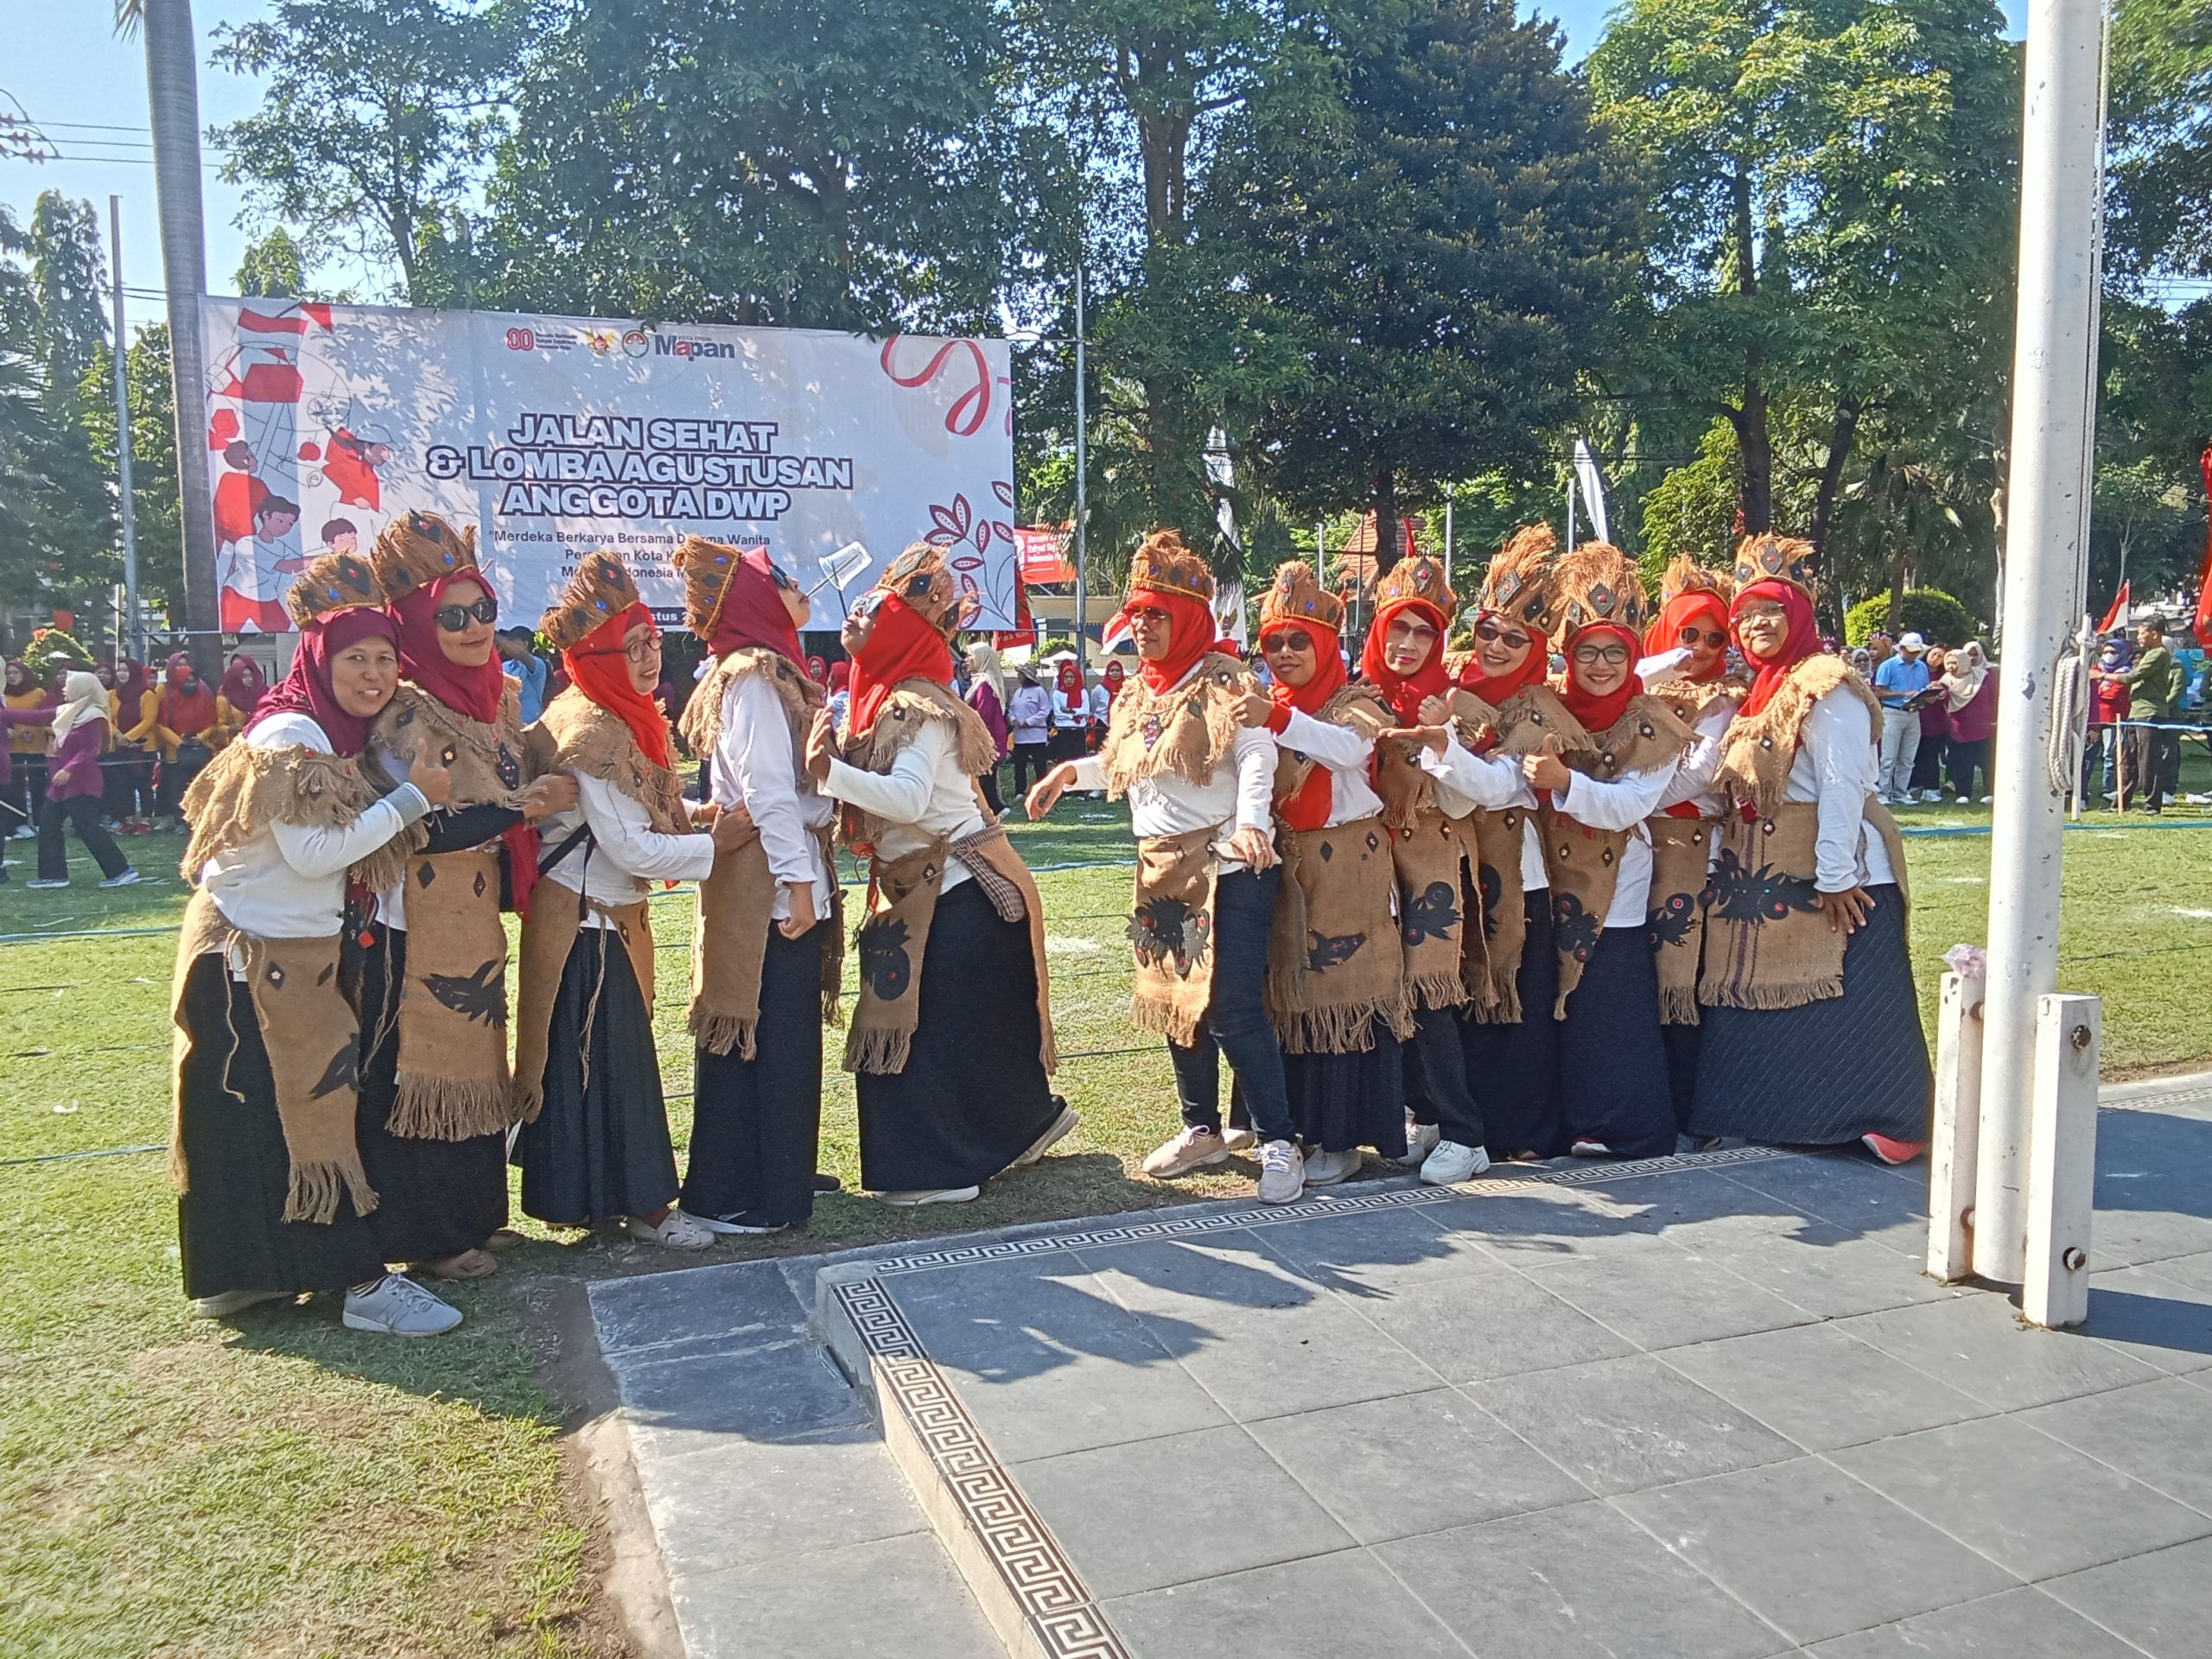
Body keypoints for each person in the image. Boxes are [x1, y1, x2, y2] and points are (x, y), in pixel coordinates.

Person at [168, 551, 464, 1335]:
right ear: (318, 659)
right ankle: (361, 1286)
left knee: (264, 1125)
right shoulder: (292, 733)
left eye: (385, 659)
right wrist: (413, 799)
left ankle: (251, 1277)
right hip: (251, 961)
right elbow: (313, 854)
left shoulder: (327, 730)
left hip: (276, 955)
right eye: (355, 658)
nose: (374, 675)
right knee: (306, 1118)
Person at [1026, 531, 1305, 1203]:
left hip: (1228, 862)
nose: (1143, 626)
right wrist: (1069, 772)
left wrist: (1252, 822)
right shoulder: (1137, 692)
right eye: (1138, 614)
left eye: (1157, 614)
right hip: (1159, 868)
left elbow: (1258, 753)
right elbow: (1129, 764)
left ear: (1187, 617)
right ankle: (1201, 1128)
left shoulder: (1225, 678)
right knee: (1176, 1002)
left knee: (1232, 1007)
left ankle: (1279, 1140)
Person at [806, 543, 1070, 1205]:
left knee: (919, 1036)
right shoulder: (894, 700)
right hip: (930, 893)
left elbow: (908, 800)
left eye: (872, 611)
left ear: (900, 628)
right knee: (958, 1034)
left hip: (953, 894)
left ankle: (935, 1170)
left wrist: (828, 772)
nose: (855, 617)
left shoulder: (915, 706)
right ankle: (1028, 1123)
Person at [511, 552, 754, 1249]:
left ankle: (587, 1199)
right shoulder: (595, 732)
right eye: (634, 647)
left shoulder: (608, 713)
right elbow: (631, 848)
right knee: (616, 1071)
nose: (650, 659)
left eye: (653, 642)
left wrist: (697, 816)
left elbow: (641, 811)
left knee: (590, 1069)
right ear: (597, 657)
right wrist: (717, 845)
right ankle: (647, 1210)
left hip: (596, 921)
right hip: (586, 927)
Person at [358, 512, 573, 1282]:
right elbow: (415, 825)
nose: (475, 627)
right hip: (421, 911)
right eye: (452, 616)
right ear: (420, 623)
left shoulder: (501, 700)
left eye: (483, 609)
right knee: (432, 1059)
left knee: (480, 1047)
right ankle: (433, 1236)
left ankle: (477, 1214)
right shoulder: (405, 711)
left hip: (477, 908)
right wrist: (523, 811)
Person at [1689, 535, 1931, 1163]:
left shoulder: (1828, 685)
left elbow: (1842, 784)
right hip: (1762, 866)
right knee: (1763, 987)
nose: (1756, 624)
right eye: (1745, 614)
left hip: (1837, 866)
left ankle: (1889, 1119)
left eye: (1771, 610)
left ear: (1798, 614)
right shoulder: (1759, 689)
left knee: (1853, 995)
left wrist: (1835, 875)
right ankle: (1782, 1115)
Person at [671, 537, 841, 1234]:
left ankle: (779, 1169)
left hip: (771, 870)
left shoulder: (765, 671)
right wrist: (797, 885)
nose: (799, 588)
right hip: (766, 882)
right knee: (765, 1034)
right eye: (784, 580)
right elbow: (768, 790)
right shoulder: (753, 676)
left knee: (774, 1032)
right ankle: (746, 1191)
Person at [1519, 543, 1691, 1160]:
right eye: (1587, 652)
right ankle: (1554, 1125)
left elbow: (1630, 805)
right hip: (1546, 872)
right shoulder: (1545, 707)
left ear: (1632, 656)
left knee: (1608, 1002)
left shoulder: (1656, 722)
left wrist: (1563, 781)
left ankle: (1625, 1126)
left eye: (1615, 652)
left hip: (1615, 881)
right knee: (1548, 1004)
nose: (1600, 665)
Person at [1244, 563, 1410, 1185]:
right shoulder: (1267, 710)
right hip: (1288, 867)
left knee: (1347, 997)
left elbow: (1351, 749)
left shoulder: (1357, 702)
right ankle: (1294, 1126)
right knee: (1290, 993)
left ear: (1325, 645)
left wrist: (1277, 719)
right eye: (1274, 643)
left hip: (1350, 868)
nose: (1285, 654)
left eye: (1298, 641)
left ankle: (1343, 1139)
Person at [1362, 555, 1492, 1185]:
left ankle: (1467, 1134)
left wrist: (1442, 739)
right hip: (1369, 864)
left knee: (1431, 994)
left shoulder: (1459, 704)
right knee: (1387, 992)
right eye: (1398, 628)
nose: (1408, 644)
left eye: (1423, 632)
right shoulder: (1358, 699)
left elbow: (1468, 802)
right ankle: (1426, 1116)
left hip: (1434, 859)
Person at [1447, 525, 1572, 1162]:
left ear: (1537, 647)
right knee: (1460, 998)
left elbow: (1501, 787)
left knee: (1517, 1005)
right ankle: (1457, 1122)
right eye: (1487, 631)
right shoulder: (1451, 686)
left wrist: (1439, 748)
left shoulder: (1540, 709)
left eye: (1514, 638)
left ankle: (1523, 1133)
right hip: (1446, 870)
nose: (1495, 646)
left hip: (1518, 877)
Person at [1637, 557, 1745, 1133]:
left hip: (1690, 848)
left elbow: (1700, 774)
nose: (1700, 649)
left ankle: (1689, 1111)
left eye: (1714, 638)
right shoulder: (1639, 685)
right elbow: (1623, 684)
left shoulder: (1724, 699)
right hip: (1631, 846)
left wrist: (1629, 795)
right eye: (1688, 634)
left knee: (1682, 974)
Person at [25, 671, 140, 890]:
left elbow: (90, 749)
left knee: (87, 826)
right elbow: (37, 717)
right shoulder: (68, 711)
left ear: (82, 688)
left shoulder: (93, 715)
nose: (64, 689)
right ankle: (52, 875)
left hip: (82, 782)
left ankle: (121, 870)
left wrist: (69, 769)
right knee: (48, 823)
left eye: (69, 685)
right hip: (61, 785)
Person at [2116, 614, 2182, 813]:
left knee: (2149, 761)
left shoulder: (2159, 654)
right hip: (2136, 712)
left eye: (2141, 633)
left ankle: (2153, 804)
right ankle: (2122, 801)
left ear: (2154, 634)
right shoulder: (2148, 653)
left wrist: (2102, 675)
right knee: (2129, 760)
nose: (2138, 637)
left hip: (2150, 713)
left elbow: (2133, 676)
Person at [153, 654, 221, 830]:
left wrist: (200, 737)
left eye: (193, 681)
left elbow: (212, 723)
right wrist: (179, 742)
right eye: (186, 681)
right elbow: (161, 725)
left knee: (200, 786)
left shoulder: (204, 698)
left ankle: (201, 819)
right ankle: (180, 821)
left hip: (199, 750)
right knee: (178, 789)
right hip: (175, 753)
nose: (190, 684)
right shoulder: (168, 700)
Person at [1872, 631, 1930, 803]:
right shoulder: (1888, 666)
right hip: (1893, 712)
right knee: (1889, 757)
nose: (1915, 655)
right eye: (1912, 651)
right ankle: (1883, 792)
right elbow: (1879, 692)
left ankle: (1900, 792)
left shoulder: (1921, 667)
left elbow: (1924, 689)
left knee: (1907, 758)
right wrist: (1904, 693)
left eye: (1917, 651)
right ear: (1902, 648)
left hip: (1914, 713)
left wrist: (1931, 694)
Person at [1941, 641, 1997, 803]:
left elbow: (1995, 697)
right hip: (1959, 728)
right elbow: (1941, 701)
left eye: (1974, 654)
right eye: (1949, 663)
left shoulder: (1985, 676)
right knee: (1963, 762)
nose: (1971, 658)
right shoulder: (1946, 680)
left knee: (1988, 761)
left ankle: (1990, 793)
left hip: (1984, 727)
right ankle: (1963, 794)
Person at [5, 658, 54, 836]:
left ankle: (41, 821)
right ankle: (19, 822)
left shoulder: (38, 693)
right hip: (12, 748)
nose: (12, 676)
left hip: (37, 746)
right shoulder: (3, 695)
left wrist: (33, 730)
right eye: (8, 673)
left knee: (38, 785)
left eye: (15, 672)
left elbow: (48, 716)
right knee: (14, 787)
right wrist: (5, 729)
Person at [966, 641, 1012, 814]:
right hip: (985, 738)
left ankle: (995, 809)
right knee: (985, 778)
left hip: (986, 739)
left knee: (985, 778)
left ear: (981, 658)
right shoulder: (981, 682)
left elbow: (983, 714)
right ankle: (992, 810)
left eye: (971, 656)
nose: (967, 660)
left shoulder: (985, 685)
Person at [2085, 636, 2131, 805]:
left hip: (2113, 718)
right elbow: (2089, 691)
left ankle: (2108, 789)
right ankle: (2082, 789)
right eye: (2105, 652)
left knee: (2110, 754)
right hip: (2093, 719)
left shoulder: (2125, 672)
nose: (2108, 655)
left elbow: (2114, 694)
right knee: (2088, 754)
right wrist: (2102, 684)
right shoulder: (2096, 668)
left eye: (2112, 652)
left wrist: (2100, 681)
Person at [1909, 645, 1951, 803]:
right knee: (1915, 755)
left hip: (1936, 721)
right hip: (1916, 717)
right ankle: (1914, 786)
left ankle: (1931, 788)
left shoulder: (1944, 676)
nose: (1935, 658)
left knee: (1931, 755)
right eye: (1934, 654)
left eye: (1940, 656)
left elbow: (1948, 697)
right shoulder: (1917, 669)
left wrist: (1939, 692)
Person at [1007, 664, 1052, 796]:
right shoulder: (1017, 692)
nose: (1018, 676)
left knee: (1040, 765)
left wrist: (1029, 722)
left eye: (1020, 674)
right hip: (1020, 737)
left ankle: (1042, 790)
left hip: (1036, 736)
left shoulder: (1039, 691)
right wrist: (1013, 719)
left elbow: (1045, 711)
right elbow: (1011, 709)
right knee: (1019, 764)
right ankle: (1020, 791)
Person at [497, 626, 550, 723]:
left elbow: (521, 654)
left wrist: (496, 637)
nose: (506, 645)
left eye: (511, 641)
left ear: (525, 644)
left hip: (532, 723)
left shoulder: (538, 664)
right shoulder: (505, 666)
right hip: (509, 724)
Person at [215, 652, 270, 746]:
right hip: (237, 745)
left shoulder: (264, 692)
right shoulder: (225, 695)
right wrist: (231, 728)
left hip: (261, 742)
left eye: (250, 675)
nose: (249, 679)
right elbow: (218, 727)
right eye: (244, 676)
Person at [1047, 658, 1091, 762]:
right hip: (1064, 731)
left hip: (1079, 731)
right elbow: (1058, 713)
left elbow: (1086, 711)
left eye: (1072, 677)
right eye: (1066, 677)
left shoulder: (1083, 692)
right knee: (1064, 760)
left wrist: (1070, 710)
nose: (1069, 680)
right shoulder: (1058, 693)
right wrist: (1074, 716)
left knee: (1080, 761)